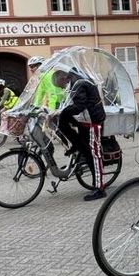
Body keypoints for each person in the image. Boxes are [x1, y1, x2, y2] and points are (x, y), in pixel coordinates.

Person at [52, 68, 107, 201]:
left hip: (93, 120)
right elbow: (71, 103)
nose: (63, 87)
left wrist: (62, 112)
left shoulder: (79, 83)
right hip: (85, 120)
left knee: (94, 154)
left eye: (61, 85)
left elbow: (79, 106)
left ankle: (100, 188)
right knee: (86, 151)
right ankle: (77, 146)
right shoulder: (74, 81)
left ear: (63, 78)